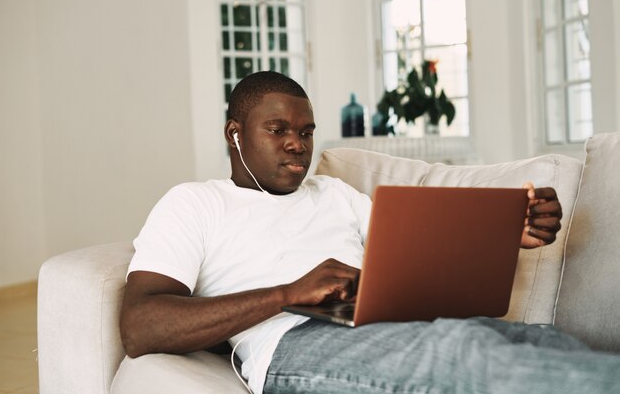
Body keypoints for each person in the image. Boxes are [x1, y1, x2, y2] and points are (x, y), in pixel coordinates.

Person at [120, 71, 620, 394]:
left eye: (307, 131)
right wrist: (288, 294)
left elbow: (414, 255)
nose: (297, 145)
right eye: (278, 130)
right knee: (467, 357)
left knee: (533, 340)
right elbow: (142, 325)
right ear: (235, 133)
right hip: (298, 343)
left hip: (398, 325)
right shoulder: (195, 202)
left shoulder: (335, 195)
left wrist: (507, 231)